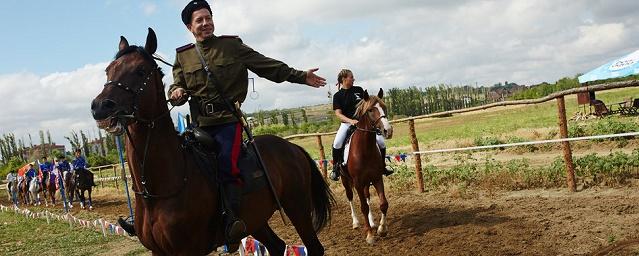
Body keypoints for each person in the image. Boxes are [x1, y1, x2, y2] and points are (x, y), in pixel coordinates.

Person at [168, 0, 326, 242]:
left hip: (228, 121)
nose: (206, 23)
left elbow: (267, 66)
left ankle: (232, 220)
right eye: (199, 20)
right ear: (190, 27)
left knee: (226, 164)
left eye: (208, 18)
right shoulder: (183, 56)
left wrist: (300, 76)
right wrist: (176, 93)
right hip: (199, 125)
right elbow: (177, 83)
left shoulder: (231, 46)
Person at [329, 69, 393, 181]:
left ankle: (383, 166)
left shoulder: (358, 90)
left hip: (364, 124)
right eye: (351, 77)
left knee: (381, 142)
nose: (353, 79)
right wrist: (350, 121)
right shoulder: (337, 96)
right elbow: (338, 114)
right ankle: (336, 169)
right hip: (347, 124)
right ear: (344, 79)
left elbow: (367, 105)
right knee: (337, 143)